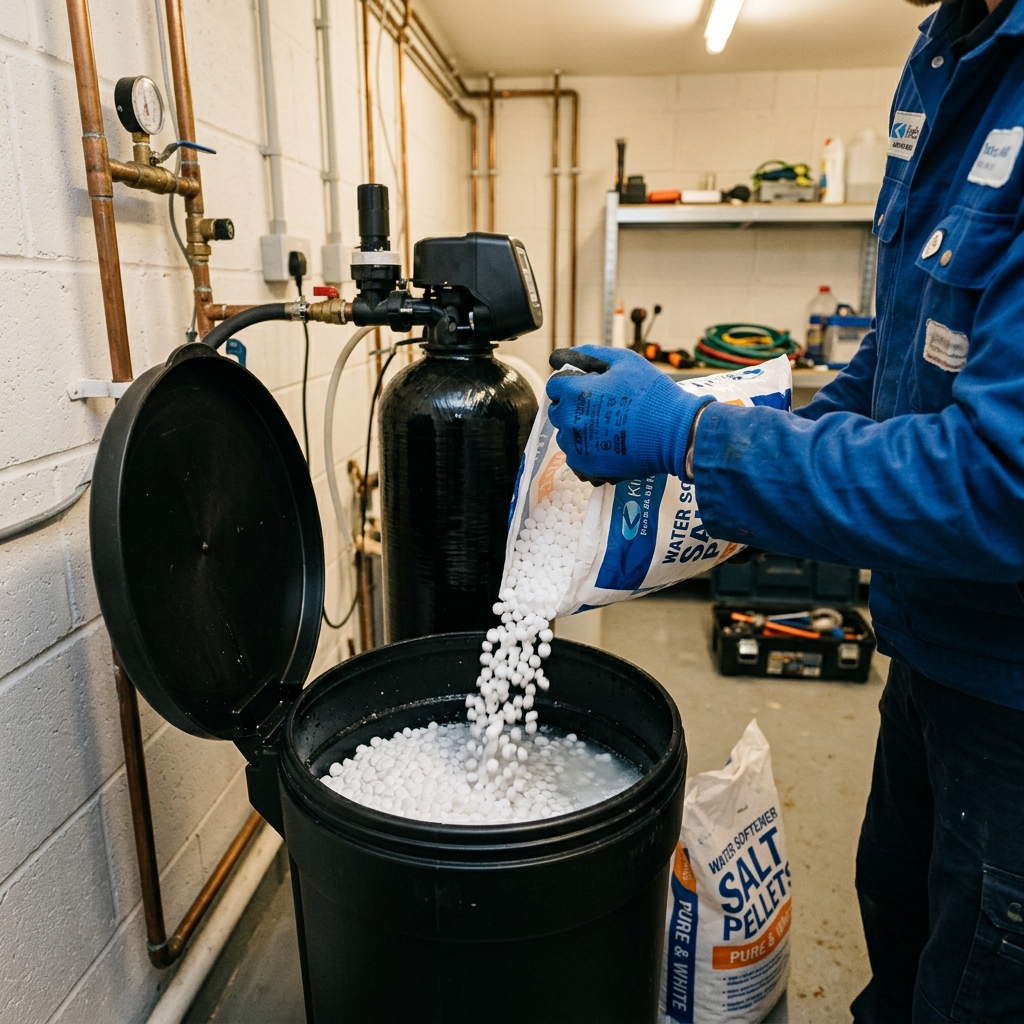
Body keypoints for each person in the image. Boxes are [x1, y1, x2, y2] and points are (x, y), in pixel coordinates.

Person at [546, 1, 1024, 1020]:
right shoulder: (945, 50)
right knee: (895, 928)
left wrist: (691, 437)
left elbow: (999, 483)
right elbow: (890, 375)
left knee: (972, 988)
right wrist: (721, 417)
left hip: (1013, 696)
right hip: (927, 645)